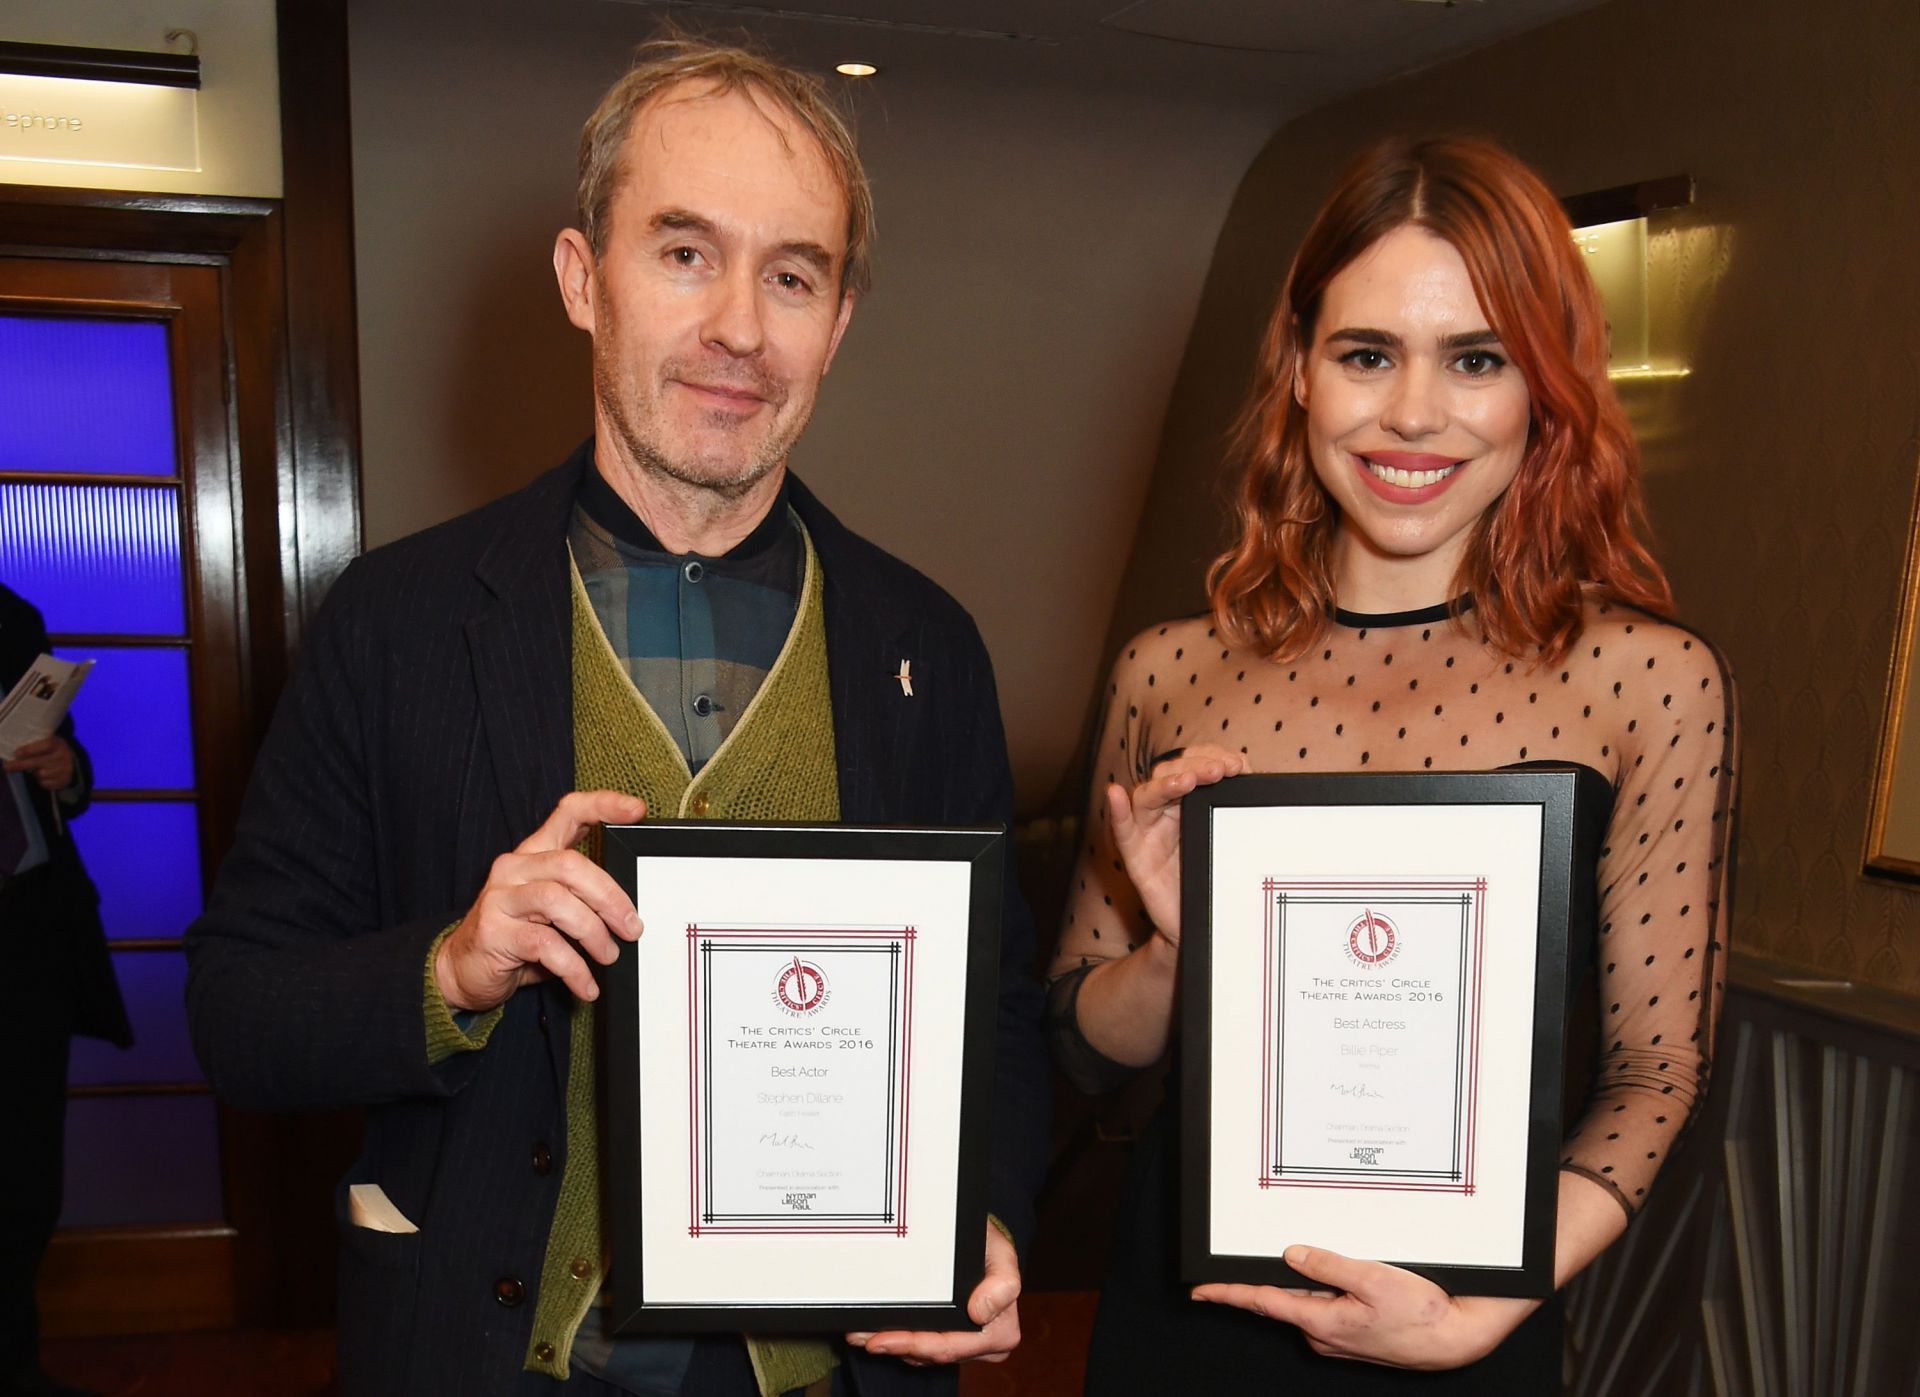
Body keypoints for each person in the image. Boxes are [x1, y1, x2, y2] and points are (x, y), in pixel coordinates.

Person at [184, 36, 1047, 1397]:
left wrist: (986, 1220)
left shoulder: (926, 646)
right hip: (491, 1356)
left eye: (793, 274)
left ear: (840, 318)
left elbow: (997, 1024)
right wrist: (453, 967)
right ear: (585, 279)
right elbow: (236, 1011)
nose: (741, 330)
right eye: (686, 254)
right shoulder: (396, 622)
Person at [1048, 135, 1737, 1392]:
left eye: (1475, 359)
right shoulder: (1169, 670)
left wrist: (1493, 1305)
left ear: (1542, 386)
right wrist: (1174, 950)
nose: (1412, 411)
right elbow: (1087, 1039)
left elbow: (1658, 1068)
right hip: (1187, 1311)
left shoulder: (1643, 681)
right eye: (1368, 354)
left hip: (1464, 1318)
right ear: (1302, 372)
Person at [0, 583, 131, 1397]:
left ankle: (17, 1368)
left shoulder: (12, 620)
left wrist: (65, 767)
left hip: (26, 933)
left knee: (23, 1177)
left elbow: (65, 767)